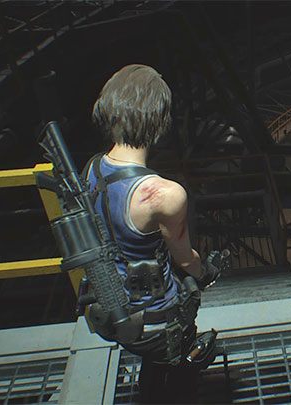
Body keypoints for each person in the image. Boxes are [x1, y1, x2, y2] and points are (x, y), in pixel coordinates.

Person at [84, 64, 219, 403]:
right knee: (179, 376)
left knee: (155, 369)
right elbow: (185, 260)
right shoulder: (163, 194)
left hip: (111, 313)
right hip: (156, 322)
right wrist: (205, 272)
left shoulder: (91, 169)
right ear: (160, 123)